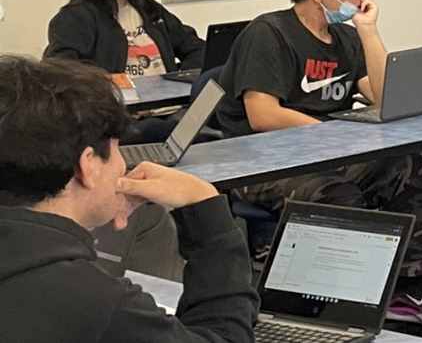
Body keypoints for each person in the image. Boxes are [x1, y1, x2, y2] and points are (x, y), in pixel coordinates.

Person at [211, 0, 422, 327]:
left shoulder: (346, 39)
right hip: (261, 163)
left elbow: (385, 98)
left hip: (327, 155)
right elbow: (263, 114)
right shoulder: (269, 34)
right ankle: (345, 300)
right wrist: (334, 136)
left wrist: (369, 32)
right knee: (339, 194)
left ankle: (406, 286)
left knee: (409, 168)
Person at [0, 55, 255, 343]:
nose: (124, 165)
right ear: (89, 165)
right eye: (118, 149)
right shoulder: (100, 303)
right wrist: (207, 211)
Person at [45, 0, 206, 144]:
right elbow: (61, 71)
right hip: (122, 121)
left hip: (172, 110)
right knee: (156, 130)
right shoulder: (77, 17)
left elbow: (196, 47)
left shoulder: (149, 10)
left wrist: (184, 82)